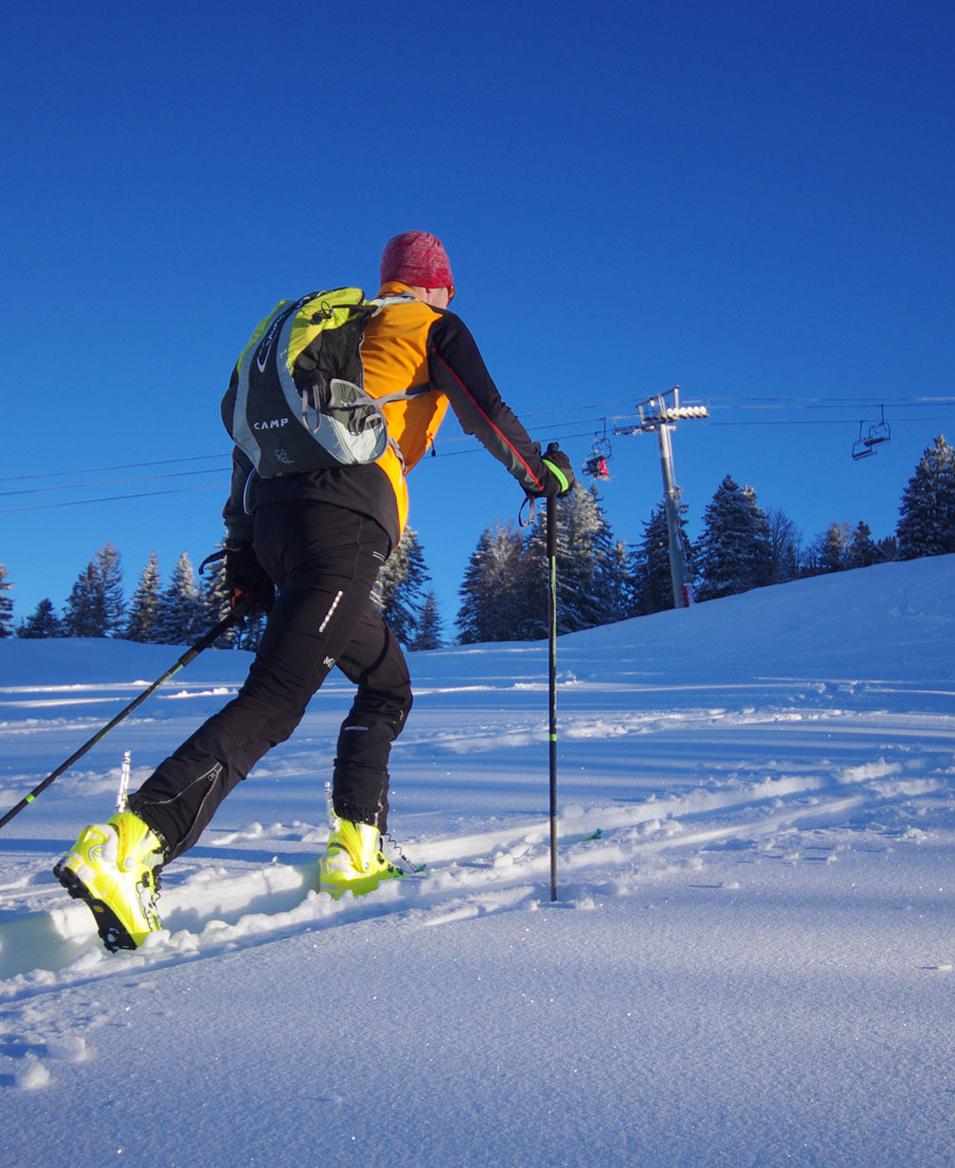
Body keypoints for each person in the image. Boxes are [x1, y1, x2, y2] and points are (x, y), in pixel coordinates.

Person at [54, 231, 573, 950]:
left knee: (387, 682)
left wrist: (244, 557)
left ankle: (357, 848)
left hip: (277, 521)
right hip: (345, 519)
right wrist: (541, 478)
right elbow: (486, 410)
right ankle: (133, 842)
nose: (451, 297)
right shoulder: (431, 327)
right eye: (448, 287)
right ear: (432, 285)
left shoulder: (325, 338)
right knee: (273, 702)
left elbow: (248, 450)